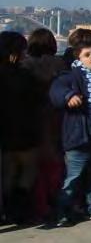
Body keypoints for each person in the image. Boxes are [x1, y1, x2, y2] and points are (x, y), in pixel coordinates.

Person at [50, 36, 91, 226]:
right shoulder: (72, 77)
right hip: (79, 137)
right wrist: (69, 96)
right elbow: (56, 90)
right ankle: (63, 210)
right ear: (78, 59)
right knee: (73, 177)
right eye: (88, 55)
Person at [22, 28, 68, 223]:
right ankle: (55, 202)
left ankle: (37, 205)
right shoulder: (59, 64)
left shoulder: (26, 67)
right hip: (57, 117)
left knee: (36, 168)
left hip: (32, 118)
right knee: (56, 164)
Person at [0, 32, 44, 224]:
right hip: (24, 129)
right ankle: (20, 209)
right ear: (14, 53)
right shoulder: (24, 76)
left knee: (8, 172)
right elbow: (38, 99)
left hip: (5, 131)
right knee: (27, 170)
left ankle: (8, 208)